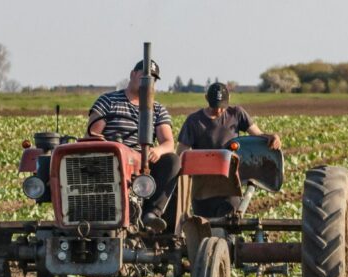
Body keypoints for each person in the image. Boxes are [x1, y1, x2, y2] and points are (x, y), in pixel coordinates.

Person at [87, 59, 178, 228]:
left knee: (172, 161)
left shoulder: (157, 109)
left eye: (152, 80)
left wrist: (157, 150)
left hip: (141, 162)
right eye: (144, 77)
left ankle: (151, 213)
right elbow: (92, 134)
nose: (147, 82)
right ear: (132, 74)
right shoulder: (108, 101)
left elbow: (168, 142)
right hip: (109, 159)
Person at [177, 82, 281, 217]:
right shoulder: (194, 121)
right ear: (206, 98)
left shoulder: (237, 114)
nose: (219, 111)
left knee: (230, 226)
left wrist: (271, 137)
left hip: (229, 186)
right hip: (202, 188)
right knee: (204, 227)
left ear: (229, 99)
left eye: (222, 107)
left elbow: (258, 137)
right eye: (215, 106)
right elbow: (181, 154)